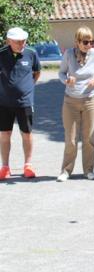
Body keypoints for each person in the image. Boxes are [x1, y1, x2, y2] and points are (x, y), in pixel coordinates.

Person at [57, 26, 94, 182]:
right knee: (71, 139)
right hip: (70, 101)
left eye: (91, 41)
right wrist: (66, 80)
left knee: (89, 138)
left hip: (90, 101)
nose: (89, 45)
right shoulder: (68, 54)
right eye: (85, 42)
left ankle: (89, 170)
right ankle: (66, 171)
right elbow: (61, 72)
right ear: (77, 42)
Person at [0, 27, 41, 180]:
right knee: (5, 134)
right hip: (4, 103)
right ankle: (5, 167)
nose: (21, 43)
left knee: (27, 133)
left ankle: (28, 165)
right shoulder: (1, 54)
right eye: (17, 41)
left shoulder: (31, 53)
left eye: (23, 40)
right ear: (8, 41)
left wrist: (27, 88)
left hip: (25, 102)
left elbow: (37, 72)